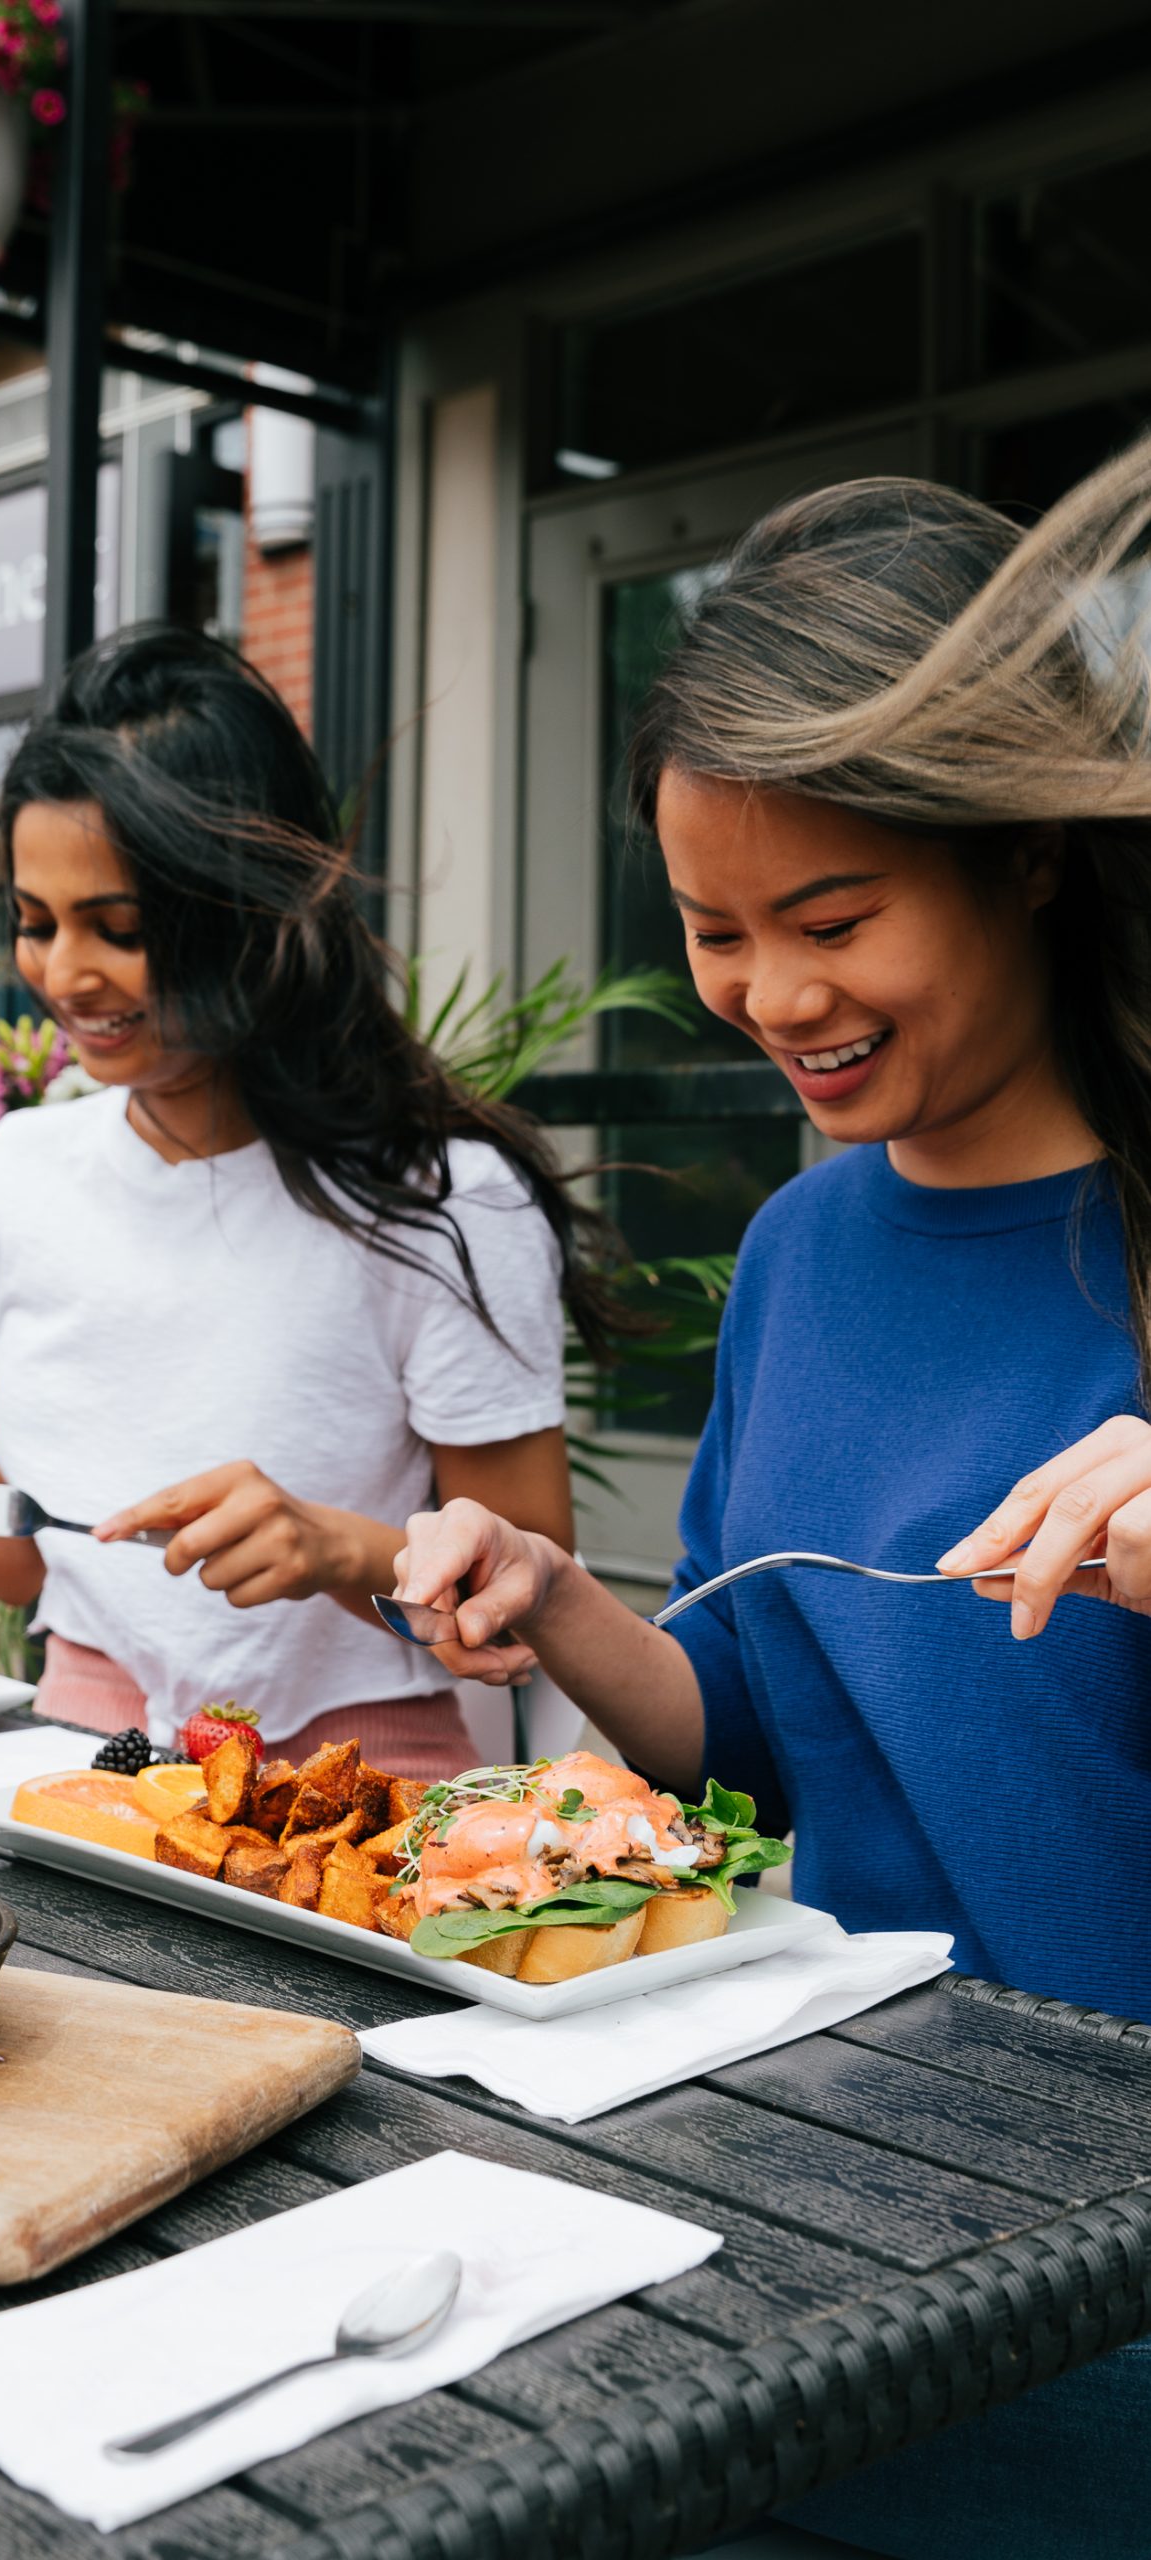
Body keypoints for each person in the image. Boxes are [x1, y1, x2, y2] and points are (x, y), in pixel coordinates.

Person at [390, 449, 1151, 2557]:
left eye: (830, 918)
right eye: (714, 933)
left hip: (1114, 2291)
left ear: (1019, 862)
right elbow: (737, 1716)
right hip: (810, 2212)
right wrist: (550, 1599)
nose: (768, 995)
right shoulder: (807, 1249)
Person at [0, 625, 610, 1775]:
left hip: (364, 1791)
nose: (63, 975)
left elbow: (527, 1608)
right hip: (74, 1771)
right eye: (36, 923)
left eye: (122, 930)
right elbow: (15, 1551)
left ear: (253, 909)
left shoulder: (446, 1200)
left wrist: (336, 1549)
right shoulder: (25, 1166)